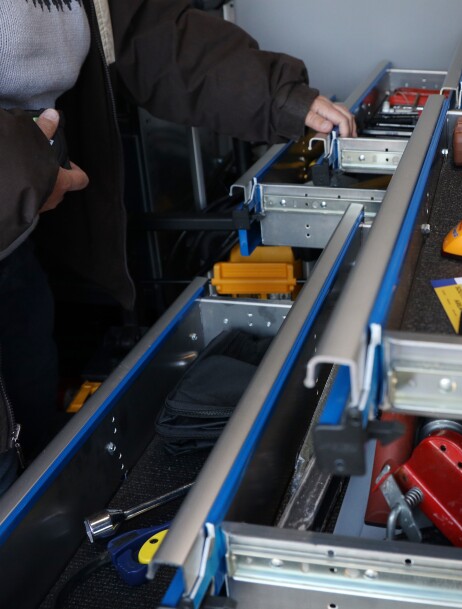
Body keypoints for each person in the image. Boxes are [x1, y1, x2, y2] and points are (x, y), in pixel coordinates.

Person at [0, 0, 356, 493]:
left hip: (21, 244)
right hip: (19, 200)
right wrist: (22, 174)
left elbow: (147, 30)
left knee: (32, 456)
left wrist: (279, 96)